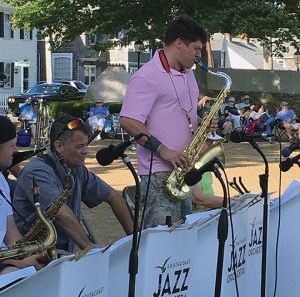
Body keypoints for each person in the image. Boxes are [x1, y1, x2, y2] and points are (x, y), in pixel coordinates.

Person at [120, 15, 208, 228]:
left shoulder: (187, 74)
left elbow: (182, 112)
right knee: (162, 245)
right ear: (179, 43)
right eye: (196, 48)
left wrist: (204, 122)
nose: (199, 55)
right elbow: (128, 120)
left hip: (183, 170)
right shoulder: (147, 76)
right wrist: (164, 150)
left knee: (182, 245)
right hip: (159, 173)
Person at [13, 115, 133, 252]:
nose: (86, 151)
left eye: (87, 145)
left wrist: (135, 237)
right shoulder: (37, 170)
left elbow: (113, 196)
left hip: (63, 250)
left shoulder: (77, 168)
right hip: (34, 253)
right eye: (80, 146)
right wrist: (91, 251)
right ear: (59, 146)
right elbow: (61, 215)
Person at [0, 116, 45, 274]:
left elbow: (11, 234)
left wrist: (28, 254)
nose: (16, 151)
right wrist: (19, 263)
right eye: (12, 146)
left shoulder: (1, 180)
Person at [192, 119, 224, 211]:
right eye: (209, 141)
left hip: (207, 212)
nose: (213, 146)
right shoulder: (190, 164)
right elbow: (199, 198)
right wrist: (231, 201)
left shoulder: (205, 163)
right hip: (197, 216)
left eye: (214, 142)